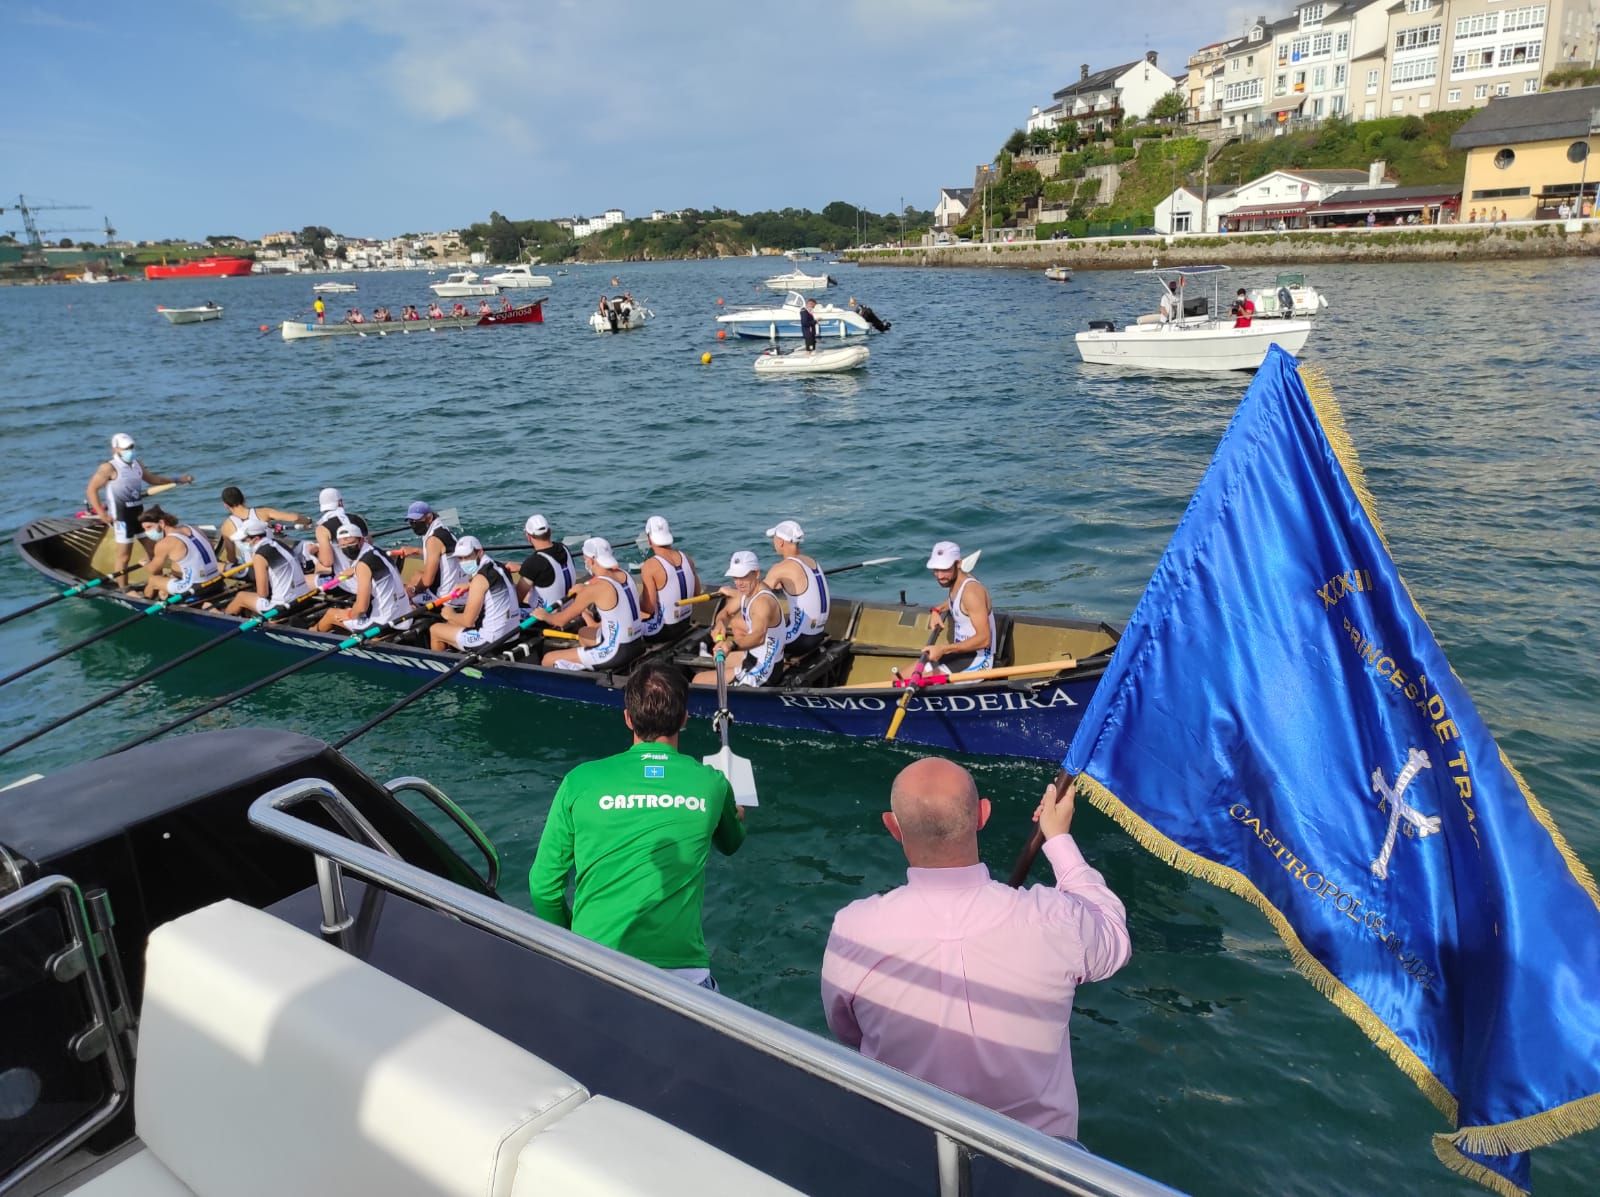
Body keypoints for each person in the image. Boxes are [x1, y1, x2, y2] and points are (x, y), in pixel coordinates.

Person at [820, 762, 1130, 1141]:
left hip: (906, 1151)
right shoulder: (1053, 918)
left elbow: (846, 1029)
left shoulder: (855, 928)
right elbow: (1113, 935)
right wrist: (1058, 839)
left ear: (893, 827)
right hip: (1038, 1162)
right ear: (983, 814)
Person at [529, 661, 746, 989]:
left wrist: (573, 940)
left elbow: (543, 887)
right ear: (684, 718)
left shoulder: (580, 781)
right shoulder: (713, 784)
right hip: (684, 978)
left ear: (628, 718)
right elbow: (732, 843)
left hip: (593, 962)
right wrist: (735, 812)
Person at [84, 432, 194, 585]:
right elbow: (91, 490)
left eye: (131, 447)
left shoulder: (137, 464)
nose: (130, 450)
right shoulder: (108, 468)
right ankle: (124, 589)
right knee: (124, 556)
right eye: (126, 448)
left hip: (139, 515)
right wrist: (102, 514)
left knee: (153, 550)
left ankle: (158, 583)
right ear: (115, 449)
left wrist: (178, 479)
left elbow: (154, 479)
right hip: (122, 517)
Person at [536, 538, 646, 671]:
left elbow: (559, 621)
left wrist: (543, 614)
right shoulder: (625, 575)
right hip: (636, 643)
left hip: (615, 652)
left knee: (547, 659)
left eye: (585, 559)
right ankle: (588, 666)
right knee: (583, 633)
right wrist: (584, 588)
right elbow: (602, 583)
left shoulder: (594, 589)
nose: (585, 562)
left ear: (592, 560)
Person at [692, 551, 784, 687]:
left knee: (698, 681)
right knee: (710, 663)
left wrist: (731, 645)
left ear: (757, 573)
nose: (739, 583)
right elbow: (726, 613)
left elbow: (759, 636)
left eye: (743, 577)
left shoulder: (762, 602)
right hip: (752, 656)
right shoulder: (747, 592)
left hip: (764, 668)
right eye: (735, 577)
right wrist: (720, 624)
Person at [313, 523, 412, 633]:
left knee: (331, 614)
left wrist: (350, 614)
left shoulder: (363, 565)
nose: (347, 549)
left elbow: (361, 608)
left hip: (385, 623)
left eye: (351, 544)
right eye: (343, 546)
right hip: (406, 615)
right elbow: (369, 566)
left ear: (361, 540)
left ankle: (310, 636)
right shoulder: (377, 552)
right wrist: (354, 570)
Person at [429, 536, 522, 652]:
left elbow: (468, 621)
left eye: (467, 557)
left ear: (479, 552)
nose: (463, 562)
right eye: (460, 558)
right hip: (513, 634)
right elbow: (489, 583)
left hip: (491, 640)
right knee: (451, 623)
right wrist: (469, 585)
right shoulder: (499, 567)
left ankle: (441, 665)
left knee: (435, 629)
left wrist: (449, 614)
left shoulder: (479, 579)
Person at [924, 540, 994, 673]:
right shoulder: (957, 584)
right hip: (959, 654)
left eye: (945, 569)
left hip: (977, 661)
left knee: (906, 685)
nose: (940, 576)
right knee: (898, 680)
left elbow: (985, 639)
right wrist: (936, 610)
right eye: (936, 569)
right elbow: (954, 602)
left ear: (958, 564)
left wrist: (944, 649)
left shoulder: (972, 592)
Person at [763, 520, 829, 658]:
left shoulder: (781, 568)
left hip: (798, 640)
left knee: (748, 624)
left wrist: (731, 593)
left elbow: (755, 597)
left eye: (774, 539)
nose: (773, 542)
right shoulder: (812, 561)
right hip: (818, 633)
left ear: (781, 542)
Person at [224, 518, 312, 616]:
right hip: (305, 598)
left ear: (256, 539)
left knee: (241, 597)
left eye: (244, 540)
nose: (241, 543)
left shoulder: (259, 556)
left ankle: (221, 622)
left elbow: (262, 594)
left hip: (281, 607)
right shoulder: (279, 544)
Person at [637, 515, 701, 644]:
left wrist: (636, 602)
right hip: (684, 623)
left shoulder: (650, 566)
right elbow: (696, 594)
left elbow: (648, 608)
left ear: (649, 539)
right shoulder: (687, 558)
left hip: (663, 631)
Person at [137, 507, 222, 599]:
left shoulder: (165, 543)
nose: (147, 532)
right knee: (174, 571)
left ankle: (144, 603)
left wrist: (145, 563)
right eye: (144, 529)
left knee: (153, 580)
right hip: (217, 580)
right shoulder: (193, 528)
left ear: (161, 523)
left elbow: (153, 570)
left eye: (149, 527)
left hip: (195, 587)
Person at [396, 500, 464, 603]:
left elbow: (427, 581)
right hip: (458, 590)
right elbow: (441, 552)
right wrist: (416, 550)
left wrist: (413, 591)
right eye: (411, 522)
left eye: (416, 521)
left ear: (429, 517)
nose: (414, 525)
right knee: (417, 574)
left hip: (445, 598)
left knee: (403, 598)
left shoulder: (433, 540)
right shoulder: (443, 527)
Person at [217, 486, 305, 565]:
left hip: (254, 566)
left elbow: (231, 558)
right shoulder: (263, 512)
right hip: (277, 559)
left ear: (225, 505)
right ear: (243, 498)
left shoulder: (226, 527)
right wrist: (308, 521)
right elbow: (294, 518)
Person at [514, 513, 577, 612]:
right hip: (570, 608)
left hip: (547, 618)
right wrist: (522, 568)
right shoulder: (564, 548)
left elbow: (517, 598)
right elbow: (548, 569)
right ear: (550, 532)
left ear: (528, 536)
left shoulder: (534, 562)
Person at [311, 487, 368, 593]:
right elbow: (369, 545)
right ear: (340, 502)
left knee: (304, 580)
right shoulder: (360, 519)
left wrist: (315, 551)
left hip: (347, 583)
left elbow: (327, 562)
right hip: (368, 575)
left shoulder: (322, 528)